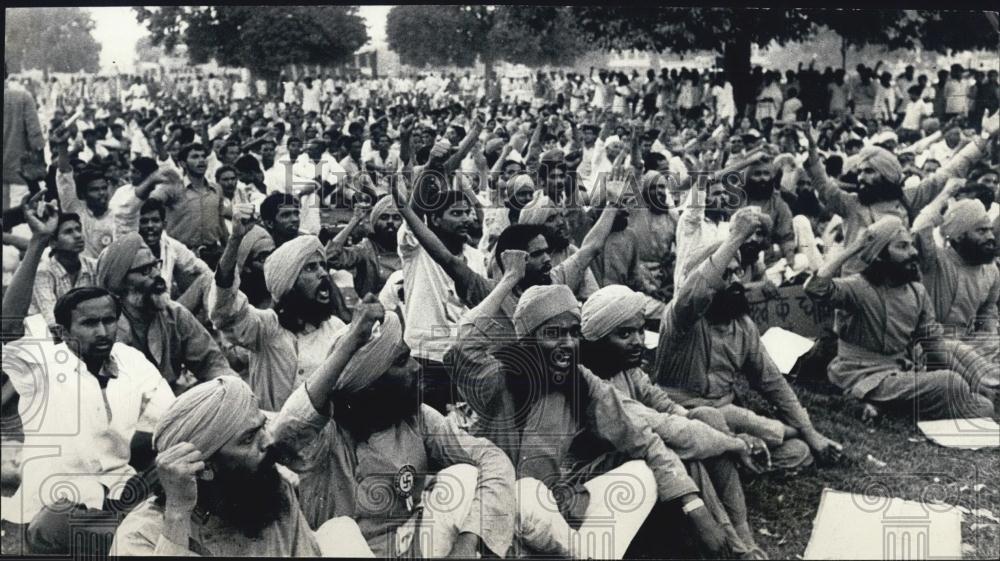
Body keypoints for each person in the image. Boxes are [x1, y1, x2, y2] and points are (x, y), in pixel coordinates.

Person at [447, 268, 731, 559]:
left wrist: (694, 507)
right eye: (553, 334)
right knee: (526, 494)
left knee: (640, 473)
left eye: (573, 333)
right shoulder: (495, 377)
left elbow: (642, 438)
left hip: (552, 516)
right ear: (527, 342)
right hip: (490, 517)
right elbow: (463, 344)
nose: (568, 344)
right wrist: (509, 279)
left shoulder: (580, 380)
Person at [268, 296, 517, 558]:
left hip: (413, 546)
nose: (416, 367)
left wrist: (468, 542)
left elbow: (491, 458)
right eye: (401, 361)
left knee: (465, 476)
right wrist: (353, 339)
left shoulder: (415, 417)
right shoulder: (326, 434)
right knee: (337, 533)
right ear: (372, 382)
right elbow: (283, 435)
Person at [4, 204, 174, 555]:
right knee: (60, 521)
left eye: (108, 321)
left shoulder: (130, 361)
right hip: (53, 505)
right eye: (88, 324)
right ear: (62, 332)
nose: (102, 331)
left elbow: (172, 417)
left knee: (173, 467)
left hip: (119, 498)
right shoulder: (43, 363)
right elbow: (7, 328)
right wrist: (37, 242)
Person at [580, 283, 770, 558]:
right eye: (624, 334)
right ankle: (731, 545)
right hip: (608, 479)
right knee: (684, 453)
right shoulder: (592, 386)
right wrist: (735, 444)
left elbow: (665, 405)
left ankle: (742, 535)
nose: (637, 340)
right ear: (597, 340)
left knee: (708, 416)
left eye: (640, 329)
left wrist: (706, 425)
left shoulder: (625, 368)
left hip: (646, 455)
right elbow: (668, 430)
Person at [656, 208, 844, 471]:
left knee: (798, 452)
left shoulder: (742, 326)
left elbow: (772, 382)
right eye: (725, 274)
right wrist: (736, 237)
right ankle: (746, 447)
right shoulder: (681, 318)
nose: (735, 281)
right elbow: (696, 291)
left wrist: (809, 431)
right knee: (725, 421)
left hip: (729, 417)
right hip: (682, 415)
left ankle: (735, 454)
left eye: (737, 273)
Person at [112, 376, 369, 557]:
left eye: (261, 427)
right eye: (248, 438)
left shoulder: (271, 493)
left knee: (341, 532)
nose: (268, 441)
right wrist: (178, 514)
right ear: (204, 468)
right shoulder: (139, 536)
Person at [804, 215, 996, 420]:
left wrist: (974, 383)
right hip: (860, 375)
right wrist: (856, 247)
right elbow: (815, 288)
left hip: (900, 375)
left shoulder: (917, 293)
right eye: (902, 247)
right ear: (880, 255)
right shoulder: (858, 287)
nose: (913, 252)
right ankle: (866, 400)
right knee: (950, 382)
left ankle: (881, 409)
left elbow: (936, 347)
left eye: (911, 246)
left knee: (982, 406)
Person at [801, 116, 996, 275]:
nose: (861, 177)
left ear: (887, 174)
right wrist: (811, 148)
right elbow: (823, 185)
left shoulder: (906, 199)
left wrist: (984, 137)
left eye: (869, 171)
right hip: (857, 288)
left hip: (899, 284)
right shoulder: (850, 204)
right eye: (860, 172)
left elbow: (946, 173)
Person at [210, 212, 347, 410]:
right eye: (310, 268)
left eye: (323, 266)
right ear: (289, 283)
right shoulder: (266, 328)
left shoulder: (336, 329)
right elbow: (226, 312)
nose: (323, 273)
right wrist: (235, 240)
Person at [96, 233, 234, 391]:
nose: (156, 274)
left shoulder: (175, 314)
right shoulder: (105, 327)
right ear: (121, 283)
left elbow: (211, 363)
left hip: (171, 399)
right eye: (146, 270)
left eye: (155, 265)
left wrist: (232, 389)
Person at [143, 143, 229, 255]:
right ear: (183, 163)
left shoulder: (216, 189)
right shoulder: (173, 187)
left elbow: (221, 223)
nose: (201, 160)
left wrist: (228, 251)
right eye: (195, 157)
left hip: (213, 252)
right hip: (182, 254)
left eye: (203, 156)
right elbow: (150, 202)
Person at [29, 212, 97, 330]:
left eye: (78, 229)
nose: (78, 235)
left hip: (84, 329)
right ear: (53, 242)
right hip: (47, 334)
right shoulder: (43, 272)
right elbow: (52, 320)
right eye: (68, 232)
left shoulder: (93, 266)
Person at [325, 194, 403, 297]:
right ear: (375, 223)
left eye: (396, 218)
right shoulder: (366, 249)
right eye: (384, 217)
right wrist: (355, 220)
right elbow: (329, 256)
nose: (390, 222)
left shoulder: (410, 250)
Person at [4, 63, 45, 212]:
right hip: (19, 177)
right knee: (18, 227)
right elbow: (36, 140)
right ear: (7, 74)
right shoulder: (22, 98)